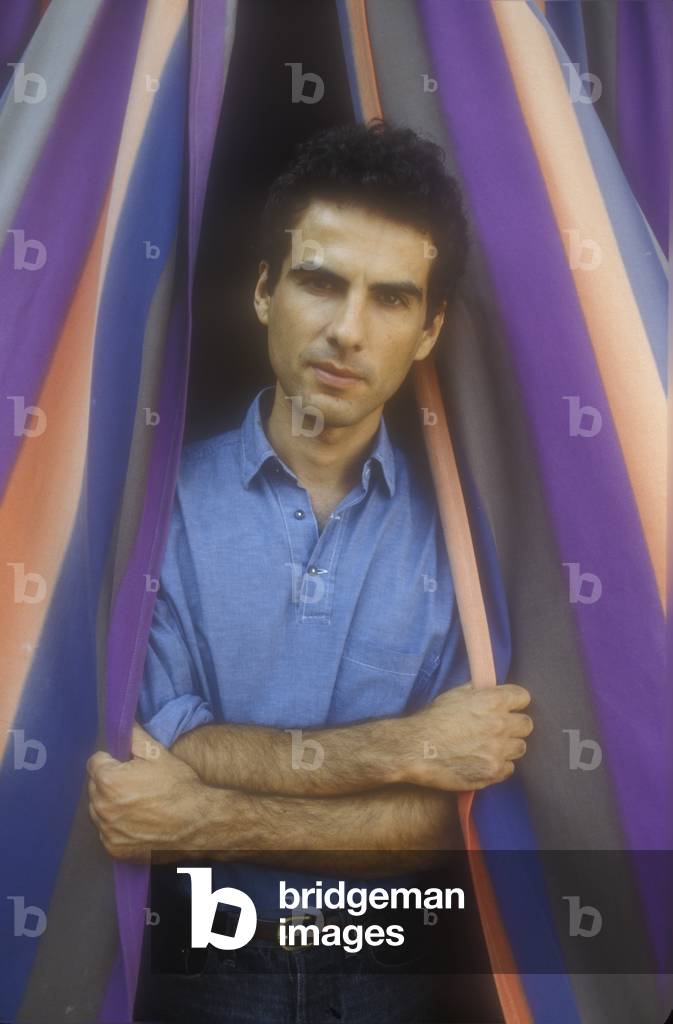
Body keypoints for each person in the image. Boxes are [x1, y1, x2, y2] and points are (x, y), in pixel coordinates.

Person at [87, 119, 533, 1023]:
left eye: (392, 299)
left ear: (429, 328)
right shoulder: (151, 506)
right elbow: (167, 747)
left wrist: (198, 819)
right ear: (263, 290)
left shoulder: (467, 540)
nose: (346, 330)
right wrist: (407, 748)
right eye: (319, 281)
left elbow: (440, 822)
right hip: (186, 991)